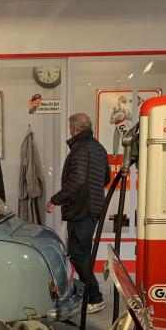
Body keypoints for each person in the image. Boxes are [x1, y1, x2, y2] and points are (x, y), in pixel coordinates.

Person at [47, 113, 108, 314]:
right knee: (82, 253)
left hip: (81, 209)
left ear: (75, 128)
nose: (69, 130)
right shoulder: (99, 148)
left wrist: (55, 199)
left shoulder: (81, 149)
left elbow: (78, 179)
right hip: (91, 208)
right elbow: (106, 178)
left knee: (78, 254)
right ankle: (87, 294)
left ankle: (95, 297)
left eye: (70, 127)